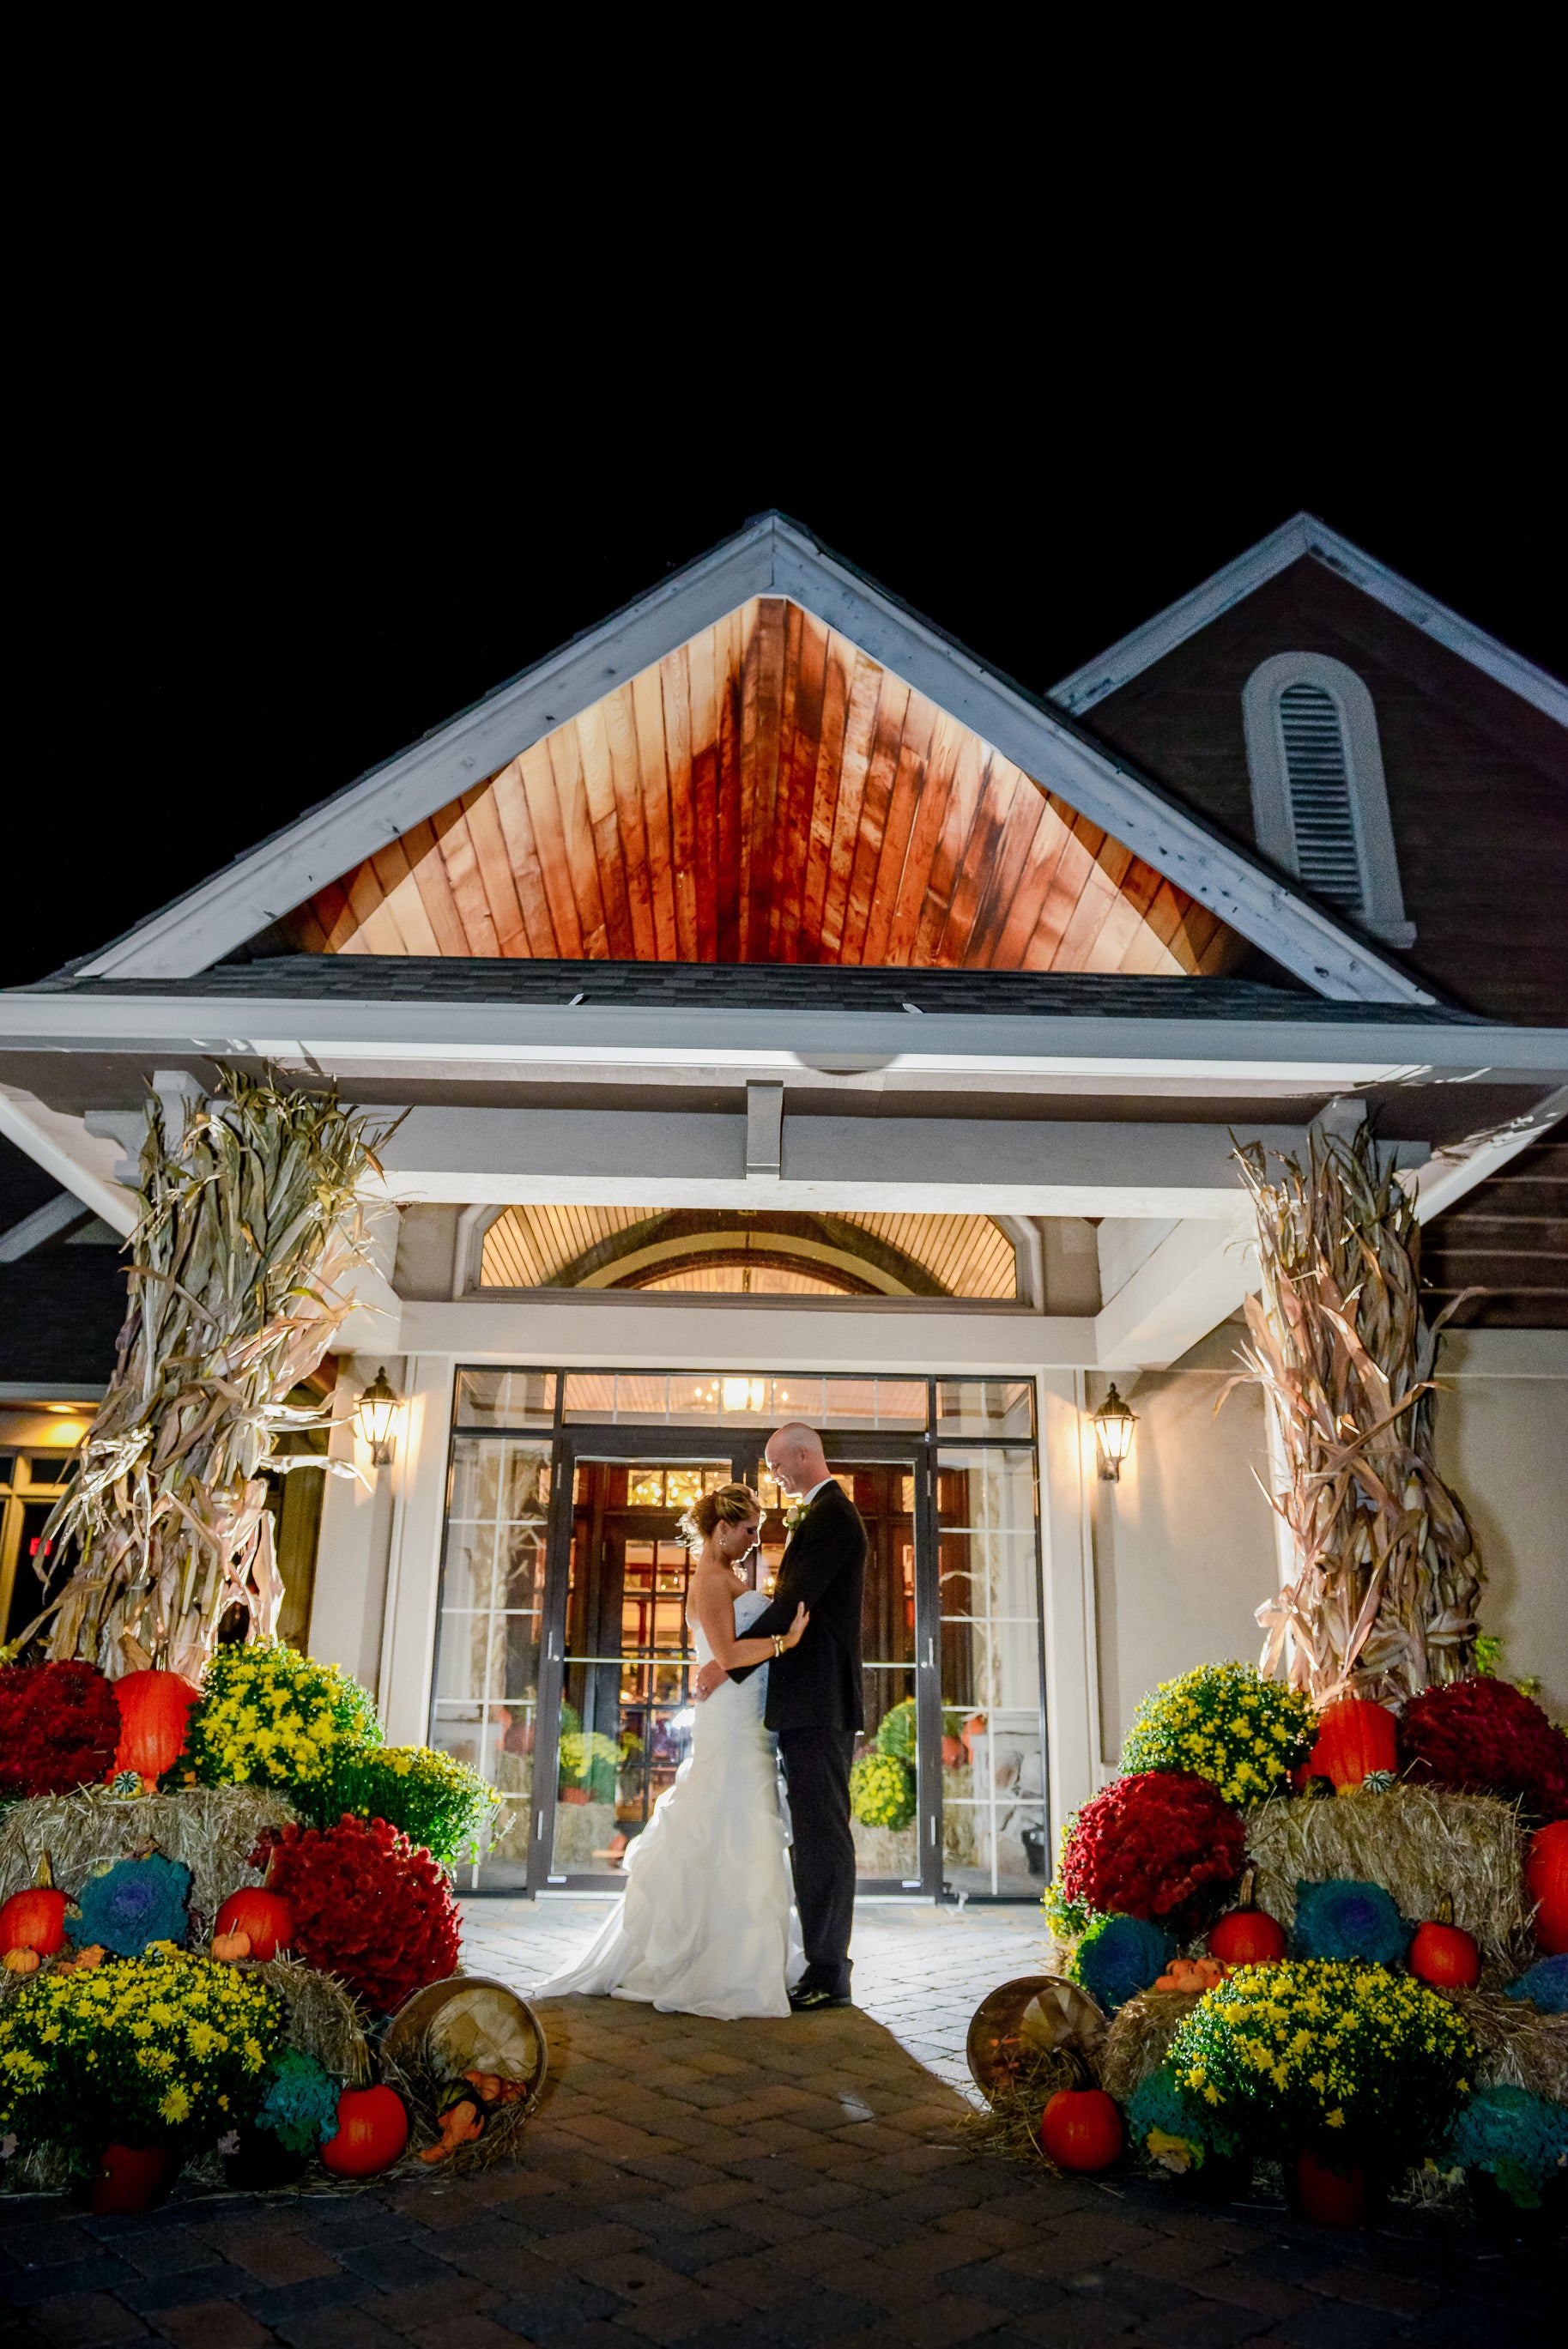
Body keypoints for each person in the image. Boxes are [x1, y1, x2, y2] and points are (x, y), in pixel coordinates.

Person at [533, 1484, 808, 2019]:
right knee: (724, 1821)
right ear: (722, 1528)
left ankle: (742, 1955)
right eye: (748, 1528)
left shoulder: (729, 1576)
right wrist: (784, 1643)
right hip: (728, 1718)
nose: (755, 1539)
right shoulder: (709, 1578)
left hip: (747, 1715)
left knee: (743, 1825)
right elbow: (726, 1652)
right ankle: (712, 1962)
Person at [697, 1421, 866, 2011]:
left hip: (818, 1700)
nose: (773, 1477)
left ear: (803, 1454)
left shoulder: (831, 1516)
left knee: (821, 1833)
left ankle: (827, 1970)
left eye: (775, 1465)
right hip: (808, 1700)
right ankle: (820, 1960)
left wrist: (726, 1664)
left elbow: (794, 1604)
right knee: (815, 1829)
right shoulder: (820, 1515)